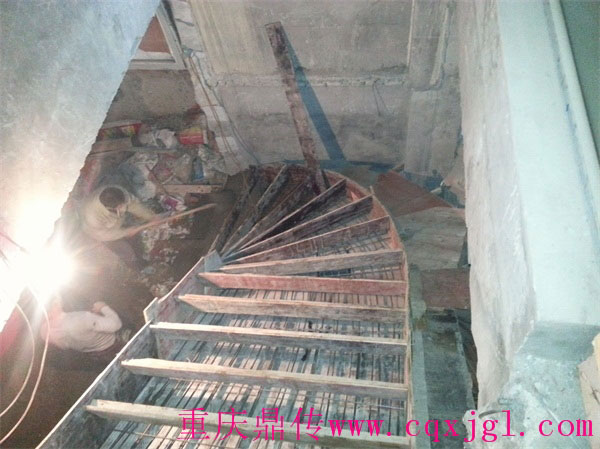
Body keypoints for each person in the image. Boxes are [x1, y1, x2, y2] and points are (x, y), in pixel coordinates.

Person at [40, 300, 129, 355]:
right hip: (112, 343)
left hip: (95, 352)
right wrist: (103, 307)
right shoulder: (82, 318)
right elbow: (116, 324)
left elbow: (65, 346)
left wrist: (91, 321)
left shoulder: (44, 332)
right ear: (55, 304)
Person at [80, 185, 158, 242]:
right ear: (109, 207)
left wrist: (150, 216)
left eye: (123, 203)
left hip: (115, 220)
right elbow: (102, 235)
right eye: (120, 206)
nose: (123, 208)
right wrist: (126, 232)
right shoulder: (92, 216)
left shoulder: (117, 191)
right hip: (99, 232)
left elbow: (133, 204)